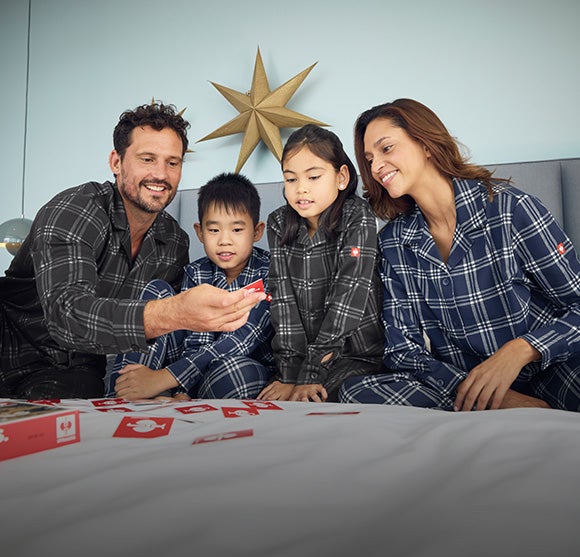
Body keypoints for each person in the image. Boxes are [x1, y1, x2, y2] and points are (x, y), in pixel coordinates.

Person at [0, 102, 265, 400]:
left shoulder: (173, 242)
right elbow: (66, 315)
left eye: (173, 163)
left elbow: (170, 341)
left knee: (77, 421)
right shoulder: (75, 211)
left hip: (78, 371)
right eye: (147, 159)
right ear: (116, 162)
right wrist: (174, 312)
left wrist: (174, 388)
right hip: (12, 351)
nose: (160, 174)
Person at [340, 98, 580, 412]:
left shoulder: (509, 208)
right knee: (354, 391)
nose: (375, 167)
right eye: (369, 159)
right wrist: (495, 396)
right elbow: (403, 351)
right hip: (463, 381)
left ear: (425, 144)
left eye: (386, 149)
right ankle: (496, 408)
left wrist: (520, 350)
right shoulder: (394, 242)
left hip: (550, 368)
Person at [107, 172, 276, 401]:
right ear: (200, 232)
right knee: (157, 290)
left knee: (238, 370)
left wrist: (168, 380)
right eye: (214, 230)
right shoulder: (196, 273)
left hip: (233, 370)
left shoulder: (269, 272)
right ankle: (123, 396)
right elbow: (196, 341)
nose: (224, 240)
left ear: (257, 232)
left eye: (236, 230)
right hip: (185, 370)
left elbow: (241, 340)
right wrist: (181, 392)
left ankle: (165, 393)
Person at [257, 124, 385, 403]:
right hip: (298, 360)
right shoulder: (279, 223)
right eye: (290, 180)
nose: (301, 189)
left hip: (355, 354)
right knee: (266, 399)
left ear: (341, 177)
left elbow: (348, 298)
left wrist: (311, 373)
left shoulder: (357, 216)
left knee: (322, 401)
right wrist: (290, 374)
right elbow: (283, 302)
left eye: (313, 177)